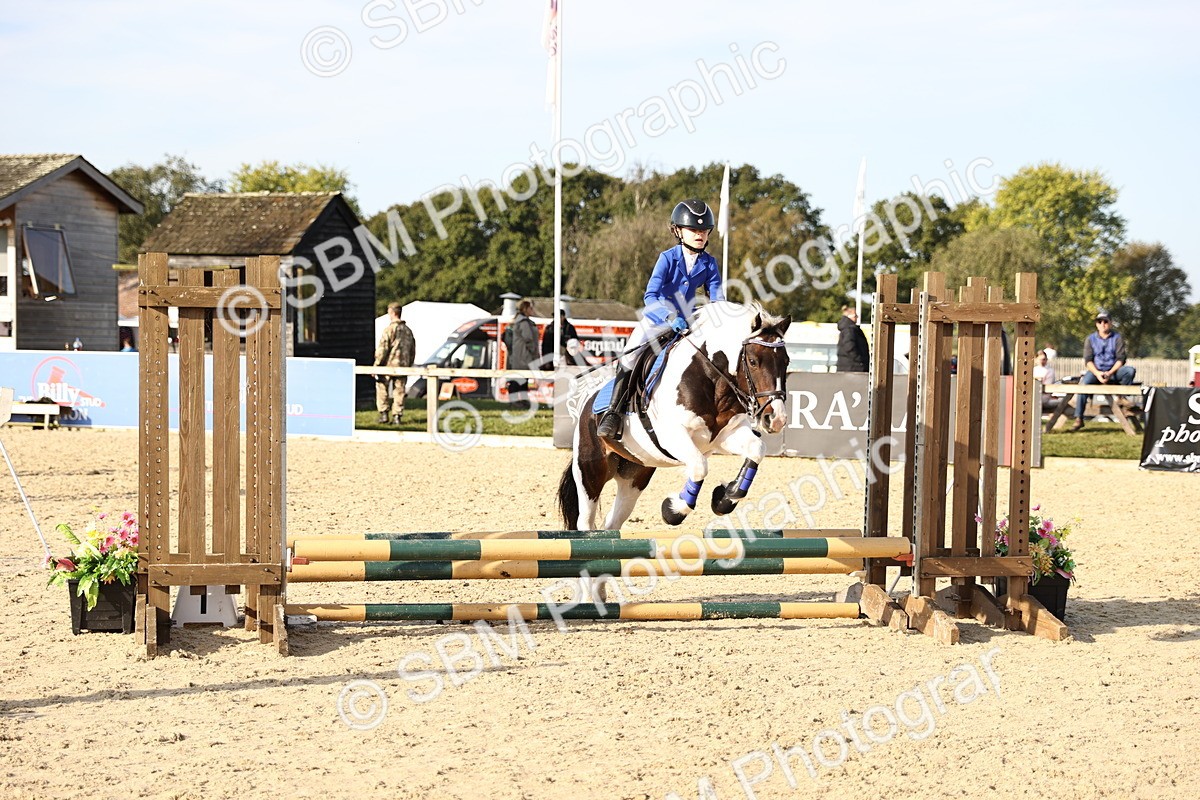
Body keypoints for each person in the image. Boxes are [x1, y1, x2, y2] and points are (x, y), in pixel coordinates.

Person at [597, 199, 724, 441]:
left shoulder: (709, 263)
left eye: (704, 230)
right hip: (658, 319)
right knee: (630, 356)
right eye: (693, 230)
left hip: (688, 322)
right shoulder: (667, 258)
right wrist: (668, 316)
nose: (700, 234)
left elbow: (717, 297)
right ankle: (613, 412)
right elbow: (650, 296)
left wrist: (721, 316)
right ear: (678, 231)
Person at [1072, 308, 1135, 431]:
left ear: (1110, 323)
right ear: (1096, 324)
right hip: (1096, 371)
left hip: (1114, 371)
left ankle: (1121, 397)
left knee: (1130, 371)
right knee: (1083, 385)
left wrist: (1110, 373)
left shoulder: (1117, 338)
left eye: (1105, 321)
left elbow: (1121, 359)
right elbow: (1088, 361)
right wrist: (1098, 373)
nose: (1102, 324)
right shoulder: (1090, 339)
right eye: (1099, 321)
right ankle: (1079, 418)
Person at [373, 302, 416, 424]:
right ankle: (397, 416)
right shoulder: (408, 331)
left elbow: (383, 349)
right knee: (399, 391)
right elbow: (412, 350)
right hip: (403, 366)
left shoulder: (389, 330)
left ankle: (384, 414)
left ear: (391, 312)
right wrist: (409, 364)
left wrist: (376, 365)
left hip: (387, 366)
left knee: (382, 388)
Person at [505, 299, 539, 407]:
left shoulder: (521, 321)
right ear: (526, 309)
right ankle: (516, 401)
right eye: (530, 308)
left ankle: (521, 400)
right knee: (519, 379)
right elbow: (528, 338)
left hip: (520, 356)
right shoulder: (524, 323)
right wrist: (533, 351)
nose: (532, 310)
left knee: (522, 379)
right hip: (523, 356)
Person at [835, 305, 869, 372]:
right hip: (854, 367)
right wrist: (859, 360)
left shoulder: (846, 329)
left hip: (848, 366)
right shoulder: (850, 329)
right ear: (850, 316)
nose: (857, 318)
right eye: (855, 316)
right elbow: (849, 346)